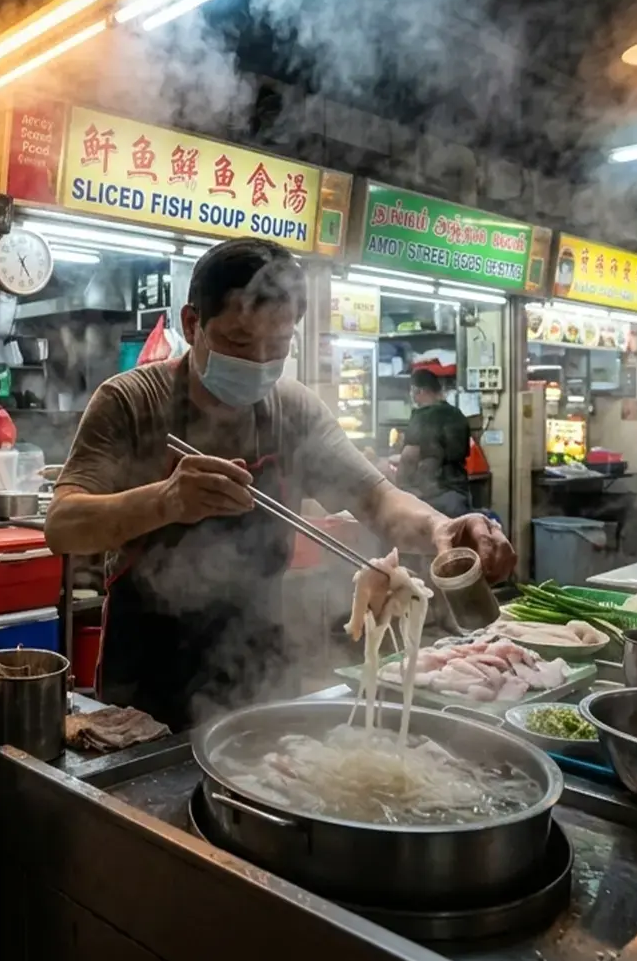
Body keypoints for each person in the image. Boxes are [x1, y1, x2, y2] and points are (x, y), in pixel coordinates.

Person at [44, 237, 515, 729]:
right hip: (146, 666)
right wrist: (165, 500)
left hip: (261, 657)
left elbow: (377, 499)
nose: (258, 362)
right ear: (191, 324)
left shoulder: (293, 410)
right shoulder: (132, 401)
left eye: (278, 346)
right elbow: (63, 524)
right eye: (239, 343)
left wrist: (441, 529)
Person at [396, 368, 472, 517]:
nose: (412, 397)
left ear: (419, 391)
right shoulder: (458, 415)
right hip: (459, 495)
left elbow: (410, 456)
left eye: (412, 392)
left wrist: (400, 488)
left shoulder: (422, 417)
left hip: (433, 499)